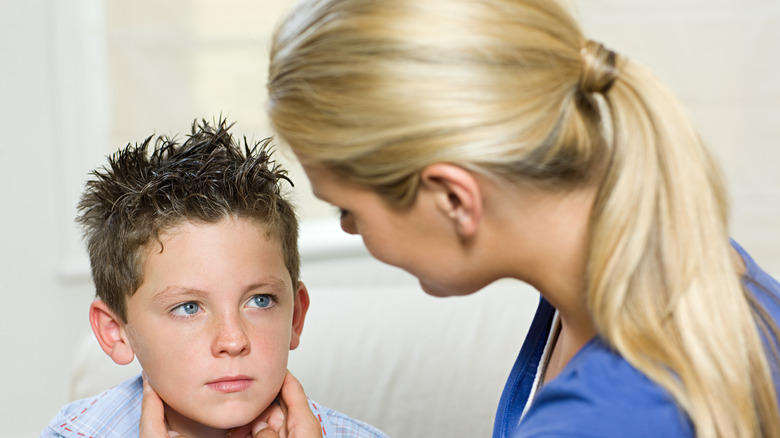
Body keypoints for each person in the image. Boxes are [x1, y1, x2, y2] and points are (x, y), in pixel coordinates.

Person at [262, 0, 780, 437]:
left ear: (454, 200)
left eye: (347, 209)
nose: (351, 229)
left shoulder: (608, 417)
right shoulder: (683, 272)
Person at [41, 119, 389, 438]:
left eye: (260, 301)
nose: (233, 340)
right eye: (188, 307)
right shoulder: (72, 432)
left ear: (295, 316)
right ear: (115, 331)